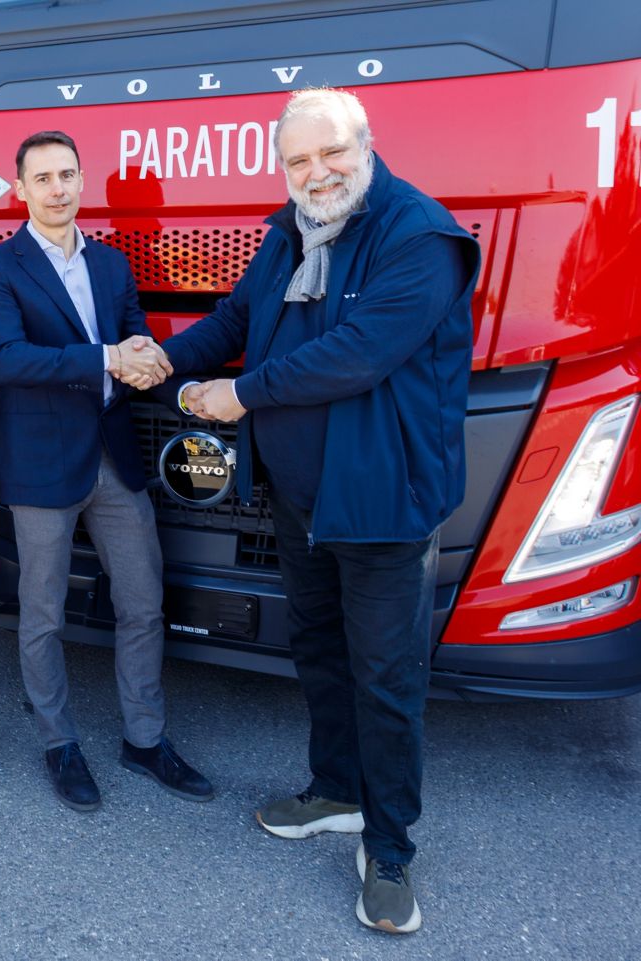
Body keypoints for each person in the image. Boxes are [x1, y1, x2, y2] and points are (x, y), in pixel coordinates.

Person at [161, 88, 478, 933]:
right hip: (301, 499)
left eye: (331, 152)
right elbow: (236, 318)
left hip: (381, 503)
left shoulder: (420, 237)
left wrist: (238, 394)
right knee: (319, 650)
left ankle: (391, 849)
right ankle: (337, 791)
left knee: (387, 678)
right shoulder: (289, 234)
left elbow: (357, 354)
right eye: (298, 159)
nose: (317, 172)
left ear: (366, 146)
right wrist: (161, 359)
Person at [0, 130, 213, 813]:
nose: (58, 189)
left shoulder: (109, 263)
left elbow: (140, 349)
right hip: (42, 464)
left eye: (68, 175)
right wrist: (107, 357)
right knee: (43, 614)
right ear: (21, 189)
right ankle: (59, 743)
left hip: (114, 457)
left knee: (143, 604)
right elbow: (8, 360)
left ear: (82, 181)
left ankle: (145, 738)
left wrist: (190, 392)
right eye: (43, 177)